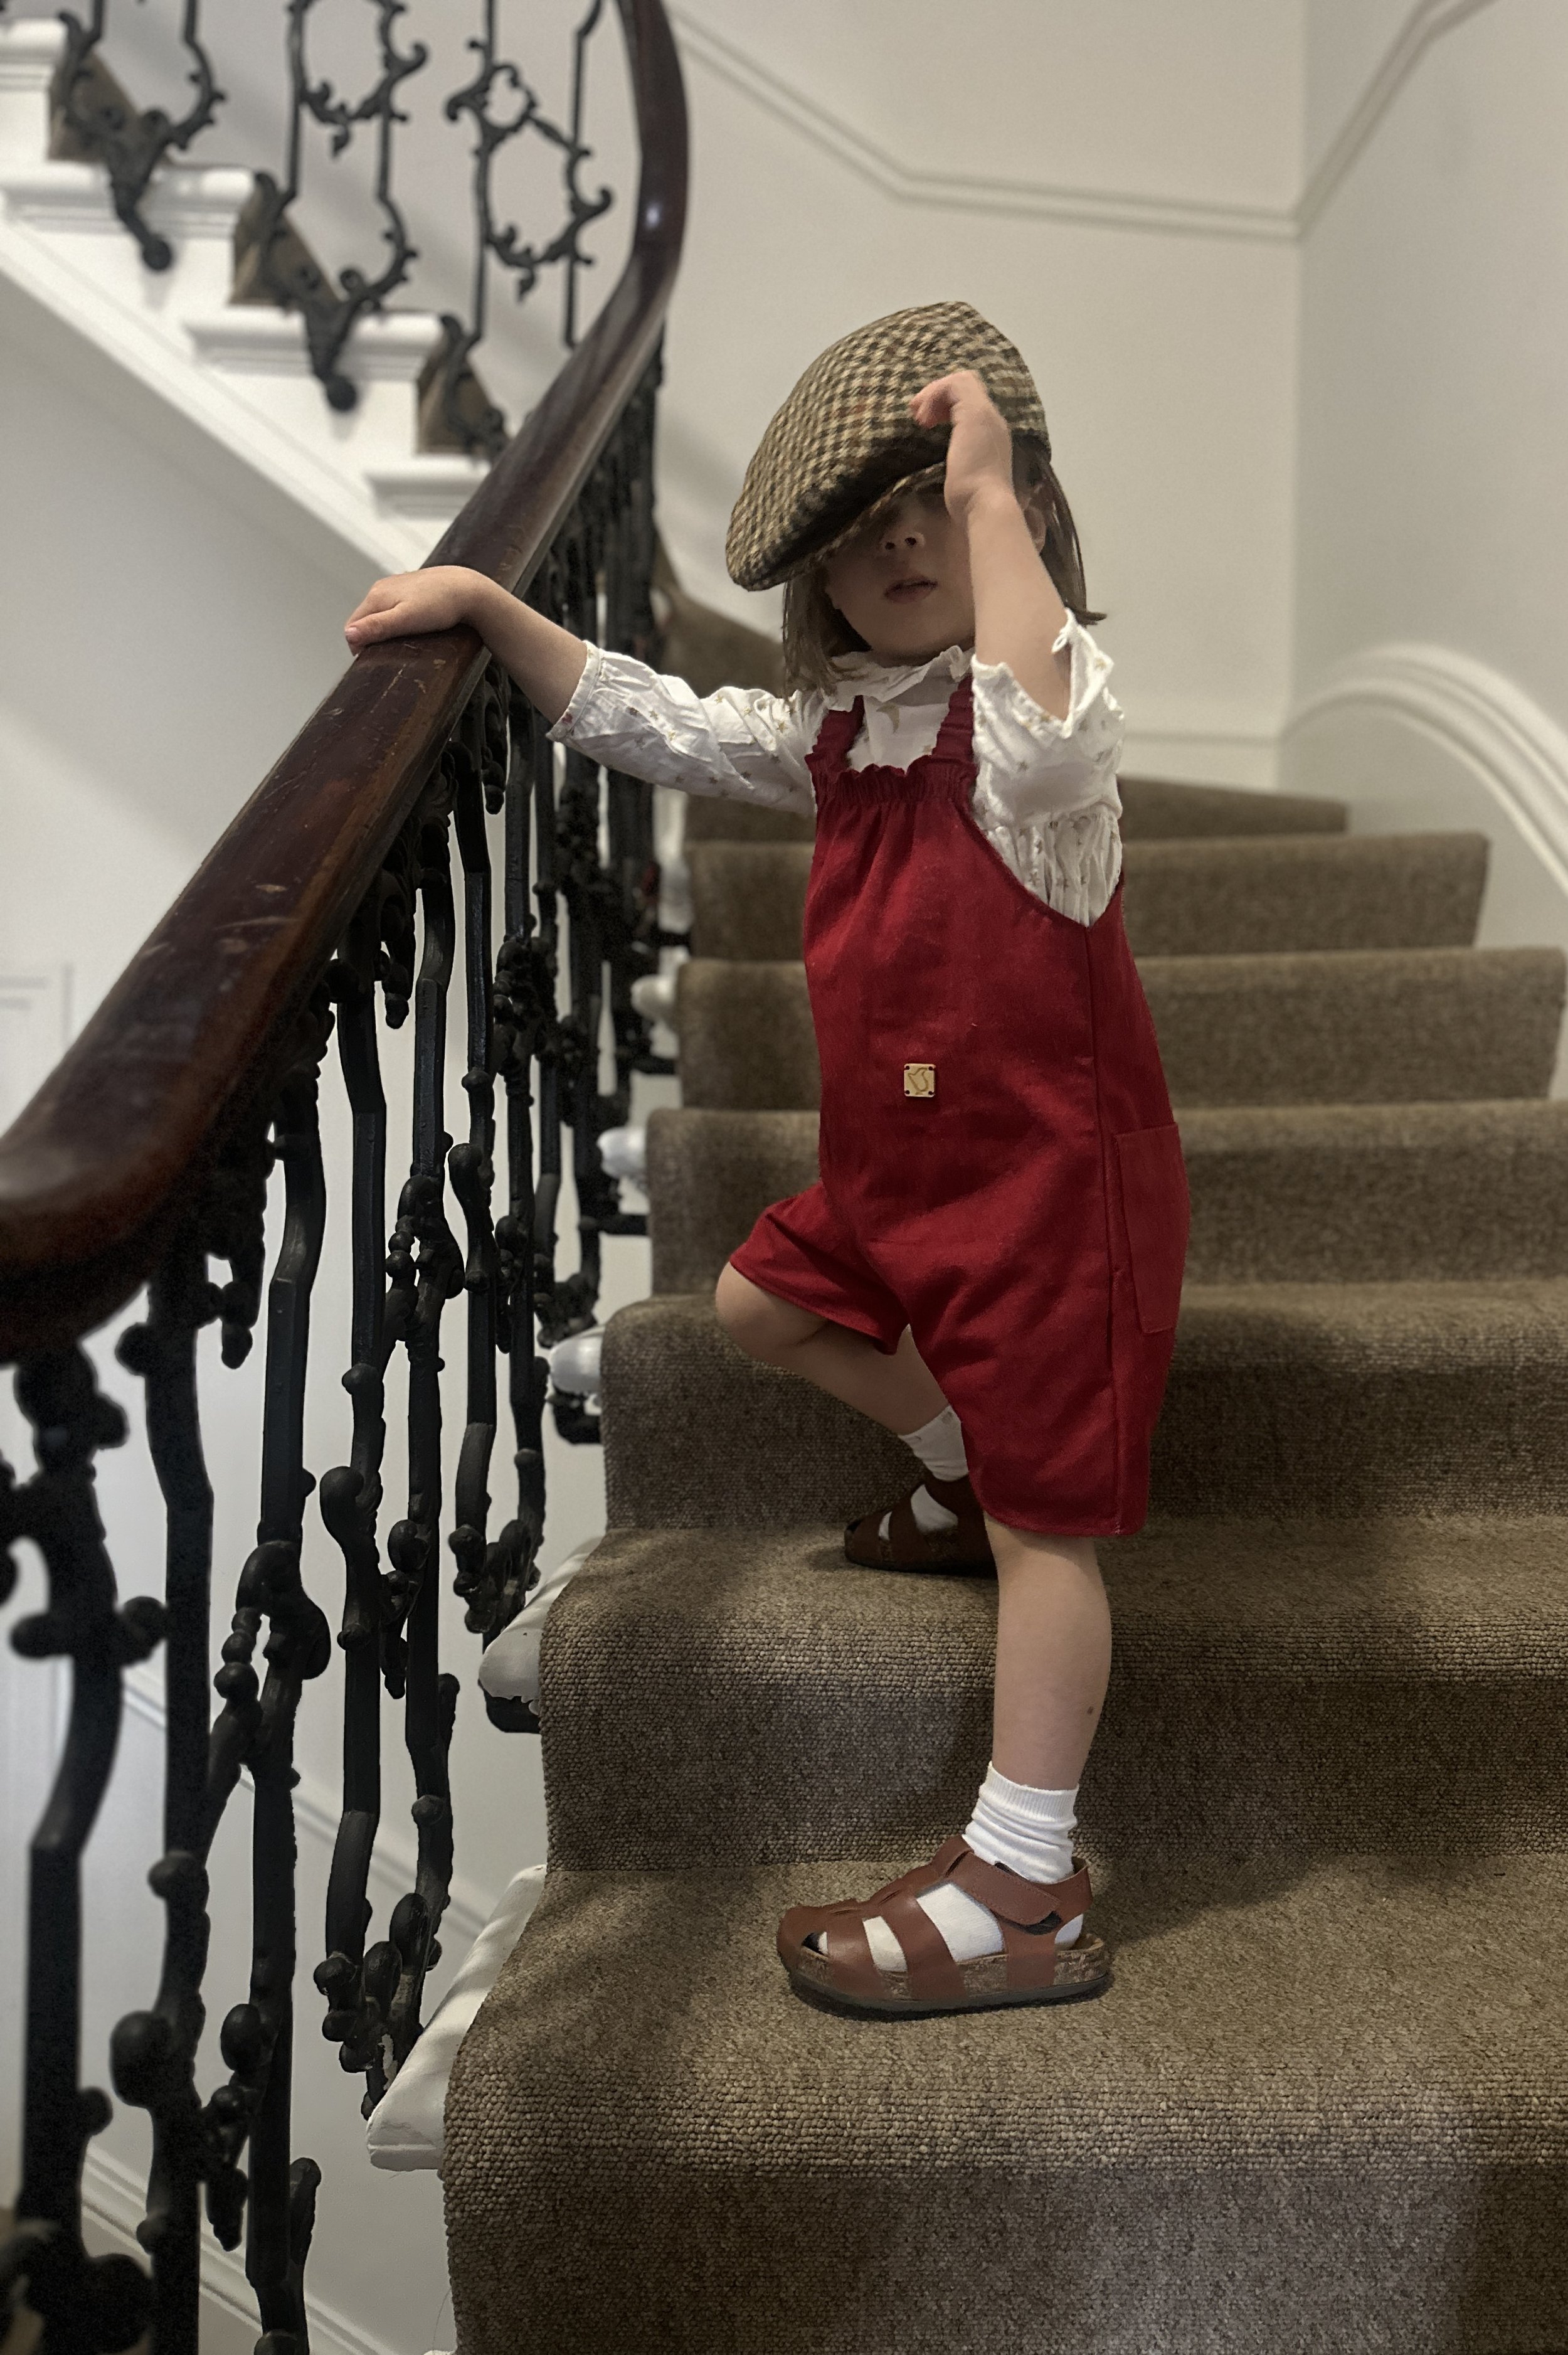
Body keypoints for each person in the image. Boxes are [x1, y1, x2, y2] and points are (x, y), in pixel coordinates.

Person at [344, 301, 1190, 2017]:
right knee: (752, 1306)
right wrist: (501, 614)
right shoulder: (843, 737)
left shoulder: (1036, 757)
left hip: (1044, 1202)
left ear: (1006, 531)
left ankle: (1024, 1874)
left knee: (1053, 1530)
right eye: (865, 530)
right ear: (816, 578)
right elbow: (661, 721)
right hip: (898, 1188)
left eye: (930, 516)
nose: (903, 545)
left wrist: (990, 495)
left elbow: (1054, 721)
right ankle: (948, 1465)